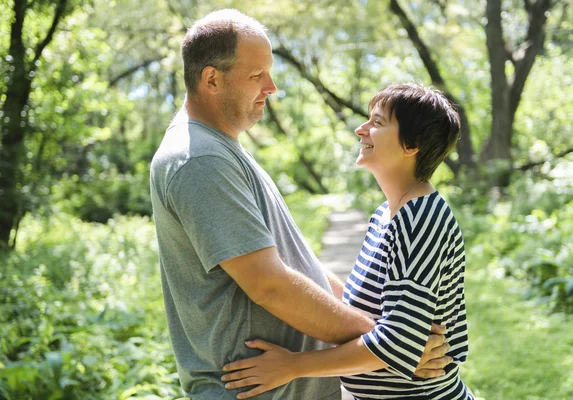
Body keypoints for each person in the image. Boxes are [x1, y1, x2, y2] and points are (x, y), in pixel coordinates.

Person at [150, 9, 450, 400]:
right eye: (256, 75)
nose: (271, 87)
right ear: (212, 79)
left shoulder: (222, 149)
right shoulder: (200, 159)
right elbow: (269, 284)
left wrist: (390, 340)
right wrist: (395, 347)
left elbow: (294, 265)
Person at [222, 83, 474, 400]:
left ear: (412, 144)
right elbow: (360, 308)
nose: (361, 129)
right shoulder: (387, 214)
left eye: (377, 123)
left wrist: (294, 366)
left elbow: (398, 342)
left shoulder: (421, 219)